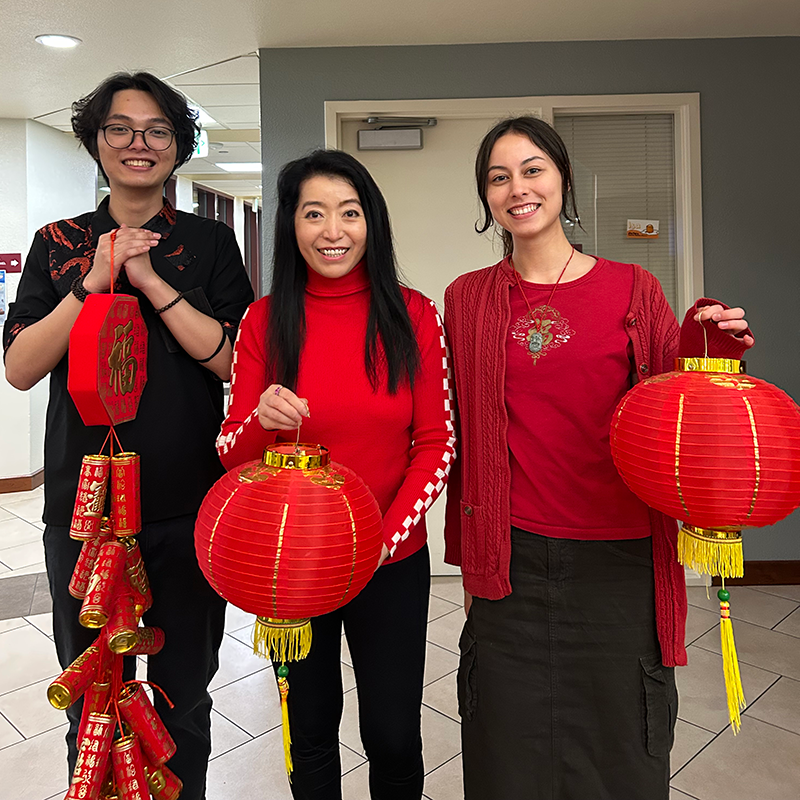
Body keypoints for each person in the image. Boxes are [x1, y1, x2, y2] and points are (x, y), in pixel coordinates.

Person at [443, 116, 753, 800]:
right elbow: (456, 429)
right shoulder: (467, 298)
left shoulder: (633, 290)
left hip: (619, 561)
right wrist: (472, 561)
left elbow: (679, 398)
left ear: (563, 180)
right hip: (511, 560)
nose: (517, 188)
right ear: (486, 197)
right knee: (505, 757)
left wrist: (713, 344)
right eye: (498, 177)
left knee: (620, 759)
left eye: (532, 170)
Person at [3, 72, 254, 796]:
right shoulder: (56, 245)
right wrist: (93, 280)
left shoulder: (209, 243)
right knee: (91, 692)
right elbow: (21, 366)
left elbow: (233, 358)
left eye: (157, 131)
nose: (138, 144)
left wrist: (150, 280)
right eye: (121, 128)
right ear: (97, 141)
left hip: (185, 504)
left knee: (185, 693)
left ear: (178, 148)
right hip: (87, 517)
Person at [217, 149, 455, 799]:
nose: (332, 231)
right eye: (313, 213)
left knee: (394, 733)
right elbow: (231, 455)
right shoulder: (264, 320)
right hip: (292, 567)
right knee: (310, 728)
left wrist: (380, 543)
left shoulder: (414, 314)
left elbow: (436, 444)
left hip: (390, 560)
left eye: (349, 213)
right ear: (291, 225)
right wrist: (263, 419)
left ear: (370, 222)